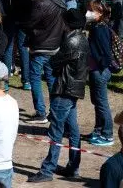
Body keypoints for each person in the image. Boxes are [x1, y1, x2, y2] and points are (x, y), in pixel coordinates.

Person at [31, 10, 87, 182]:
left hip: (64, 90)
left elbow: (54, 62)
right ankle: (73, 166)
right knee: (73, 130)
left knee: (56, 130)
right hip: (74, 89)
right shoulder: (83, 39)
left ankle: (47, 170)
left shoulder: (71, 41)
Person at [87, 0, 117, 147]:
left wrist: (95, 59)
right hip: (95, 70)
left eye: (91, 10)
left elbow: (105, 54)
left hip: (99, 71)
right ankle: (98, 130)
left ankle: (107, 134)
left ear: (100, 13)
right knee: (97, 102)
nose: (88, 13)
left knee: (102, 103)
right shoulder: (96, 27)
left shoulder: (100, 29)